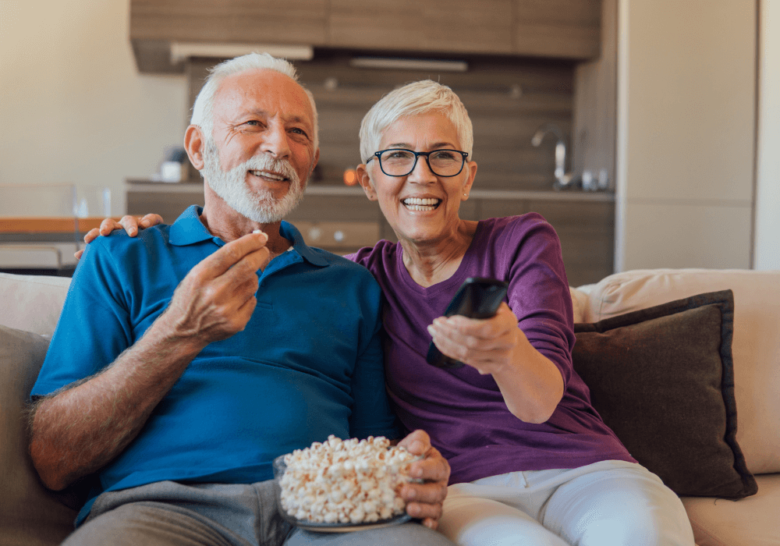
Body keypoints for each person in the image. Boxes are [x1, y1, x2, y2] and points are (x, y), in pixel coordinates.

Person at [90, 73, 697, 545]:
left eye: (442, 156)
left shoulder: (519, 240)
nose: (421, 176)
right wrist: (139, 233)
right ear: (369, 180)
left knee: (644, 532)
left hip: (581, 467)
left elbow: (539, 403)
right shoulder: (358, 278)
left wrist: (507, 351)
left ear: (467, 175)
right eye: (398, 157)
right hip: (465, 489)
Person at [28, 53, 453, 546]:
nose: (279, 145)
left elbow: (375, 444)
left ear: (311, 162)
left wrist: (413, 470)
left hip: (324, 514)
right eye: (253, 123)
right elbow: (53, 458)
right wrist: (178, 333)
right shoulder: (121, 257)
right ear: (198, 147)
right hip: (162, 513)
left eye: (298, 133)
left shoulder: (352, 285)